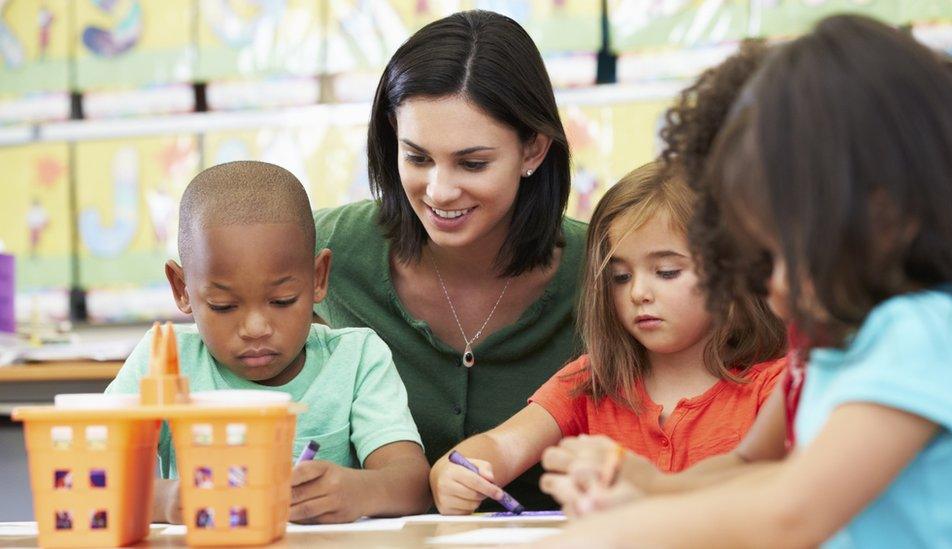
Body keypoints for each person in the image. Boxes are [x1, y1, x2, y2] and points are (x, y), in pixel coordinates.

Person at [539, 14, 952, 547]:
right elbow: (753, 469)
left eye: (779, 254)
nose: (769, 288)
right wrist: (650, 487)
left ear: (885, 214)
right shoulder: (832, 351)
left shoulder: (924, 332)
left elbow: (793, 510)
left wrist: (625, 530)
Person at [313, 10, 586, 509]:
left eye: (472, 162)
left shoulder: (607, 269)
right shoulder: (325, 248)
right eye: (417, 157)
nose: (438, 190)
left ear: (534, 150)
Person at [429, 161, 785, 514]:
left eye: (666, 272)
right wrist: (454, 474)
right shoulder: (592, 380)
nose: (639, 293)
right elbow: (501, 446)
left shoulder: (776, 387)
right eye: (620, 277)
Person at [106, 161, 430, 524]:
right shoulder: (163, 361)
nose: (256, 328)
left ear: (318, 278)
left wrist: (359, 492)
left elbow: (413, 484)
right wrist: (165, 500)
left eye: (282, 301)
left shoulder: (357, 358)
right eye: (223, 306)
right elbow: (91, 476)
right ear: (182, 289)